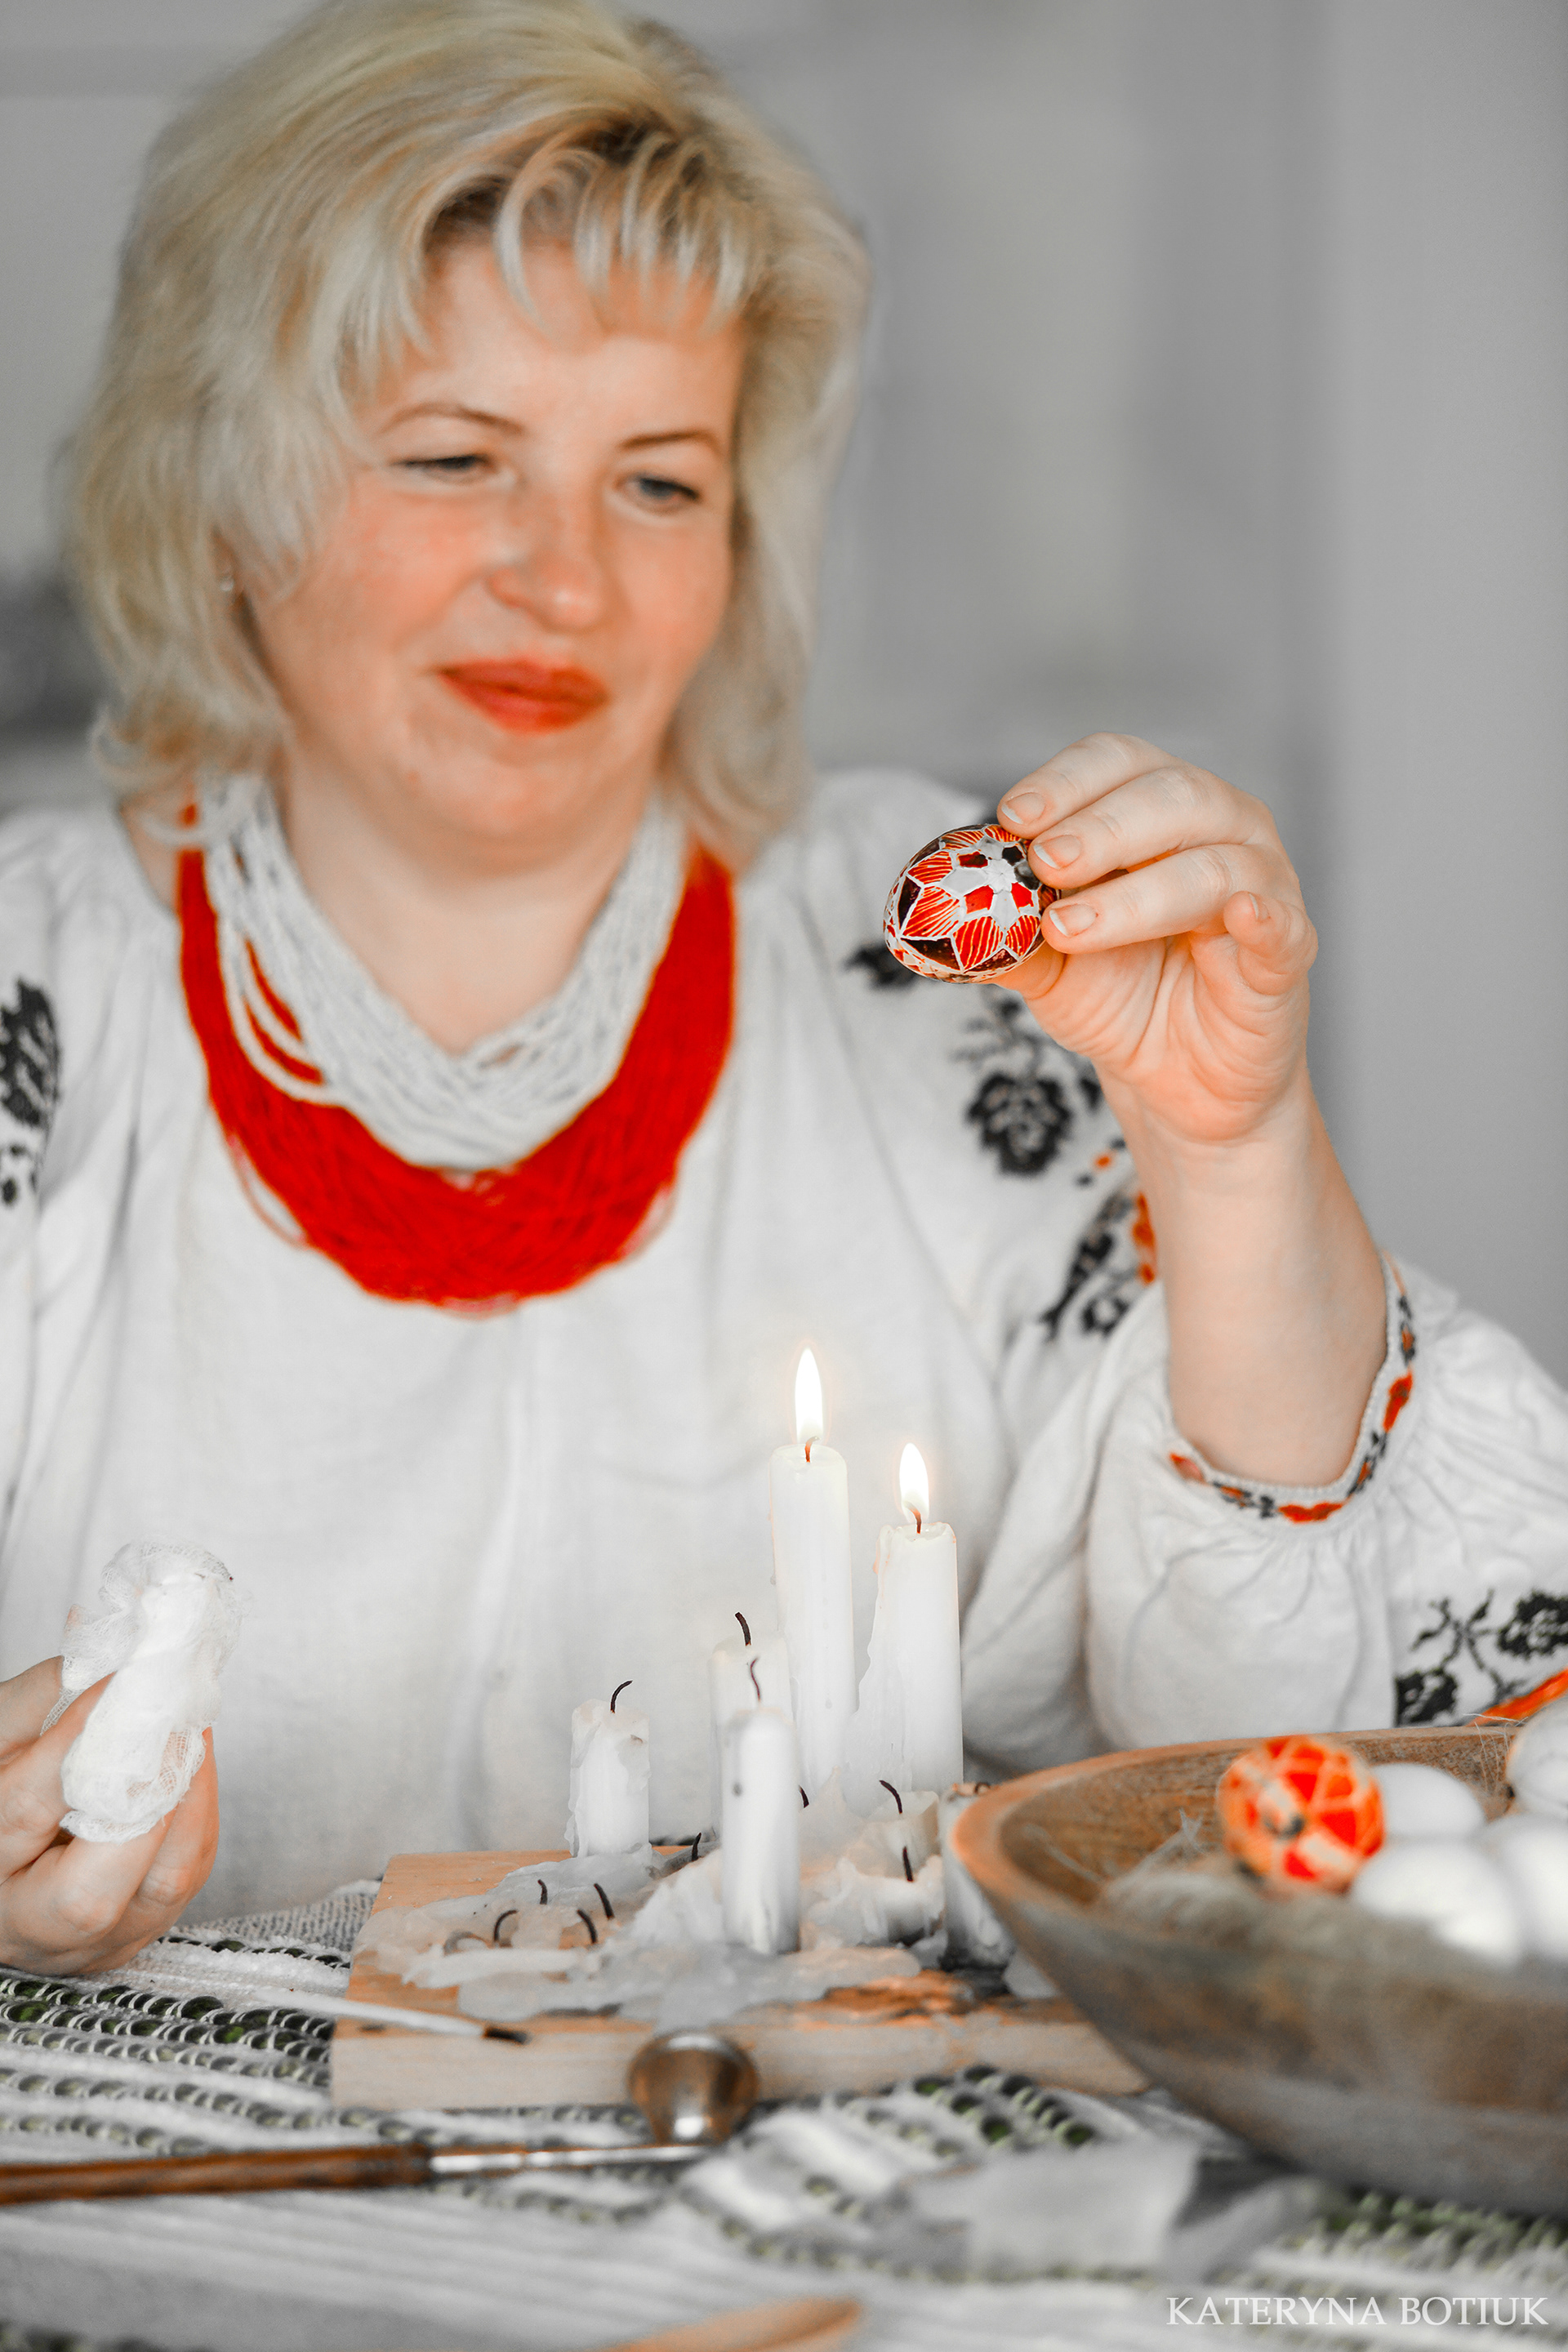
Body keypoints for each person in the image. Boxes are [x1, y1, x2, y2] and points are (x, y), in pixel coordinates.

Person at [1, 0, 1564, 1971]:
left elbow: (1313, 1777)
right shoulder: (38, 993)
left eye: (659, 483)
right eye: (456, 457)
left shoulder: (937, 977)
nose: (565, 581)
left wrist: (1234, 1150)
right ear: (227, 496)